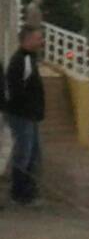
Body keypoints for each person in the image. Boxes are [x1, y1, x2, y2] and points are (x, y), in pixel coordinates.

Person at [8, 25, 45, 206]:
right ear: (28, 39)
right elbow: (17, 91)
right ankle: (19, 193)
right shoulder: (21, 61)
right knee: (24, 153)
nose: (41, 42)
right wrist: (29, 110)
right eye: (38, 38)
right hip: (22, 116)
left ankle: (28, 191)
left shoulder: (29, 59)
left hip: (29, 115)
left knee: (32, 153)